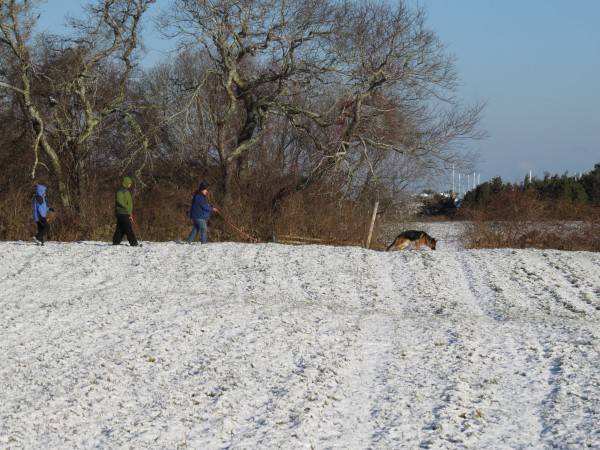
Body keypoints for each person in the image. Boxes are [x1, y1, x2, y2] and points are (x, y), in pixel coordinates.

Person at [112, 176, 139, 246]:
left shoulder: (127, 191)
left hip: (126, 213)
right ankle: (134, 243)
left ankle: (115, 242)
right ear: (126, 183)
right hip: (122, 212)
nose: (130, 185)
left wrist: (130, 213)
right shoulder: (120, 191)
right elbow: (119, 201)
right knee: (128, 228)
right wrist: (127, 208)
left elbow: (129, 202)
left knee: (120, 228)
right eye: (129, 183)